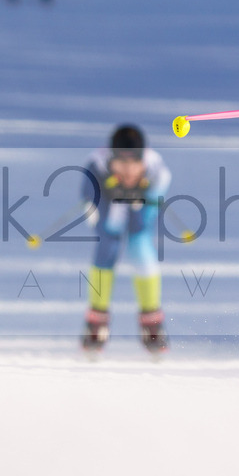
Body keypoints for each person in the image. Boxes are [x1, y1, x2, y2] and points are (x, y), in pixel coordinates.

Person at [81, 124, 172, 354]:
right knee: (107, 245)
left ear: (142, 162)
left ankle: (152, 321)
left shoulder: (157, 172)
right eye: (121, 164)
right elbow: (92, 202)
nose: (128, 171)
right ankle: (96, 320)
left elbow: (146, 215)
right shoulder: (96, 168)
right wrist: (107, 201)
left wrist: (140, 200)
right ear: (111, 161)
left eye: (134, 165)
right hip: (107, 202)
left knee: (140, 246)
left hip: (141, 203)